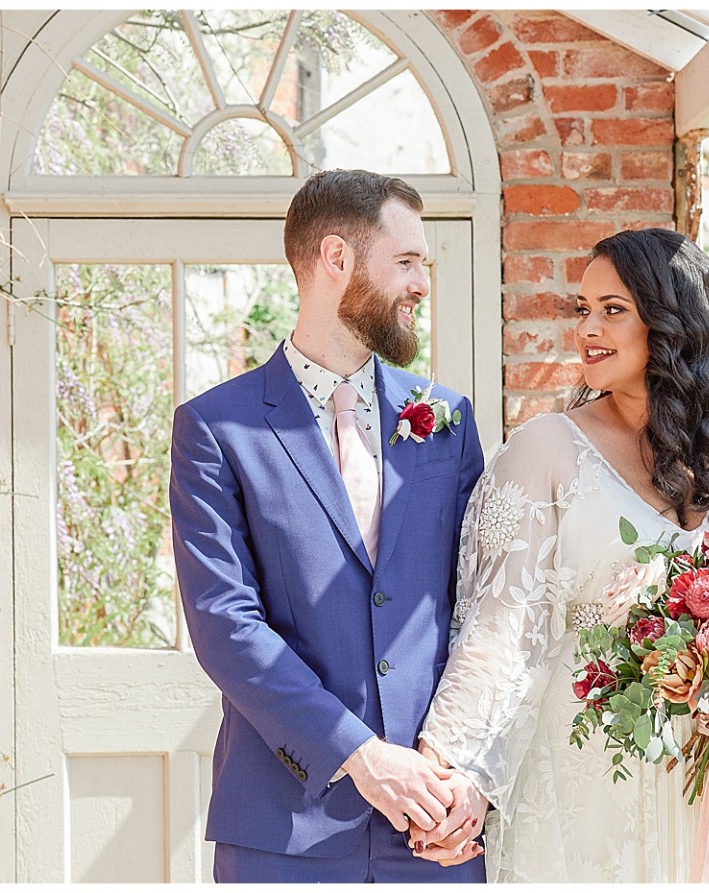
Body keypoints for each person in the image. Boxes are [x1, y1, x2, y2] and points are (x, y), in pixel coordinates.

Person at [412, 228, 709, 881]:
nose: (589, 328)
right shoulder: (545, 451)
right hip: (589, 781)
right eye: (583, 309)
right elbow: (500, 630)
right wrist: (455, 773)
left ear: (671, 321)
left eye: (613, 309)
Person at [170, 169, 487, 881]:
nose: (422, 285)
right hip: (285, 832)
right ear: (336, 259)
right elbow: (225, 623)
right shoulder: (216, 428)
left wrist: (473, 771)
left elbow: (483, 615)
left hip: (437, 826)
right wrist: (360, 755)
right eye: (406, 262)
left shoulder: (448, 422)